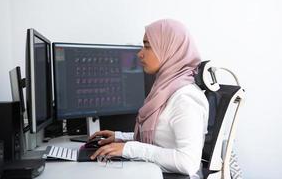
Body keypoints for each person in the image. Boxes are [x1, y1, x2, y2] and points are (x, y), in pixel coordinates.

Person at [89, 19, 209, 177]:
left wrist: (130, 149)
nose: (140, 53)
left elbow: (187, 162)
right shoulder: (165, 88)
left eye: (147, 45)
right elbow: (161, 138)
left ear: (169, 49)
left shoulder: (185, 99)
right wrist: (121, 138)